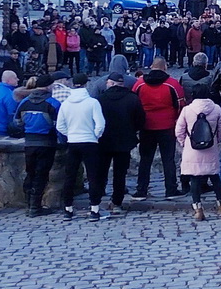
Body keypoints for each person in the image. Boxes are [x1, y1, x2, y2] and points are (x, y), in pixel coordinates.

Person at [54, 72, 106, 220]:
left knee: (70, 175)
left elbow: (60, 126)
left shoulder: (66, 103)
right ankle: (94, 209)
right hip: (89, 142)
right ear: (86, 84)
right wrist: (94, 135)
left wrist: (70, 134)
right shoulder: (92, 102)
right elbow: (100, 124)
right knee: (93, 176)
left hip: (73, 142)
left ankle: (68, 208)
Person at [175, 77, 221, 221]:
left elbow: (179, 130)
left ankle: (198, 210)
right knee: (215, 177)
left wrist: (184, 143)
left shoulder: (187, 110)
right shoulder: (216, 109)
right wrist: (216, 140)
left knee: (195, 179)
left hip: (192, 148)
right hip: (210, 147)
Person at [132, 57, 184, 202]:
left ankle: (141, 190)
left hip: (146, 126)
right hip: (167, 125)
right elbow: (180, 105)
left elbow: (134, 103)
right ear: (165, 67)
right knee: (168, 159)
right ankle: (171, 189)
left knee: (145, 159)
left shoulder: (140, 84)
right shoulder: (172, 84)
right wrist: (177, 120)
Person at [96, 70, 144, 216]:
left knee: (101, 171)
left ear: (110, 84)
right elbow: (140, 120)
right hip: (124, 140)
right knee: (120, 173)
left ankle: (96, 201)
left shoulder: (100, 99)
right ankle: (117, 201)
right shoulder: (132, 98)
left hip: (104, 140)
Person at [14, 75, 62, 217]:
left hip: (29, 142)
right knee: (41, 174)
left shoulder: (24, 102)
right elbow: (58, 124)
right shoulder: (53, 103)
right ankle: (35, 206)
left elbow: (17, 122)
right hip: (46, 143)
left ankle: (29, 203)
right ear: (48, 86)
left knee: (30, 172)